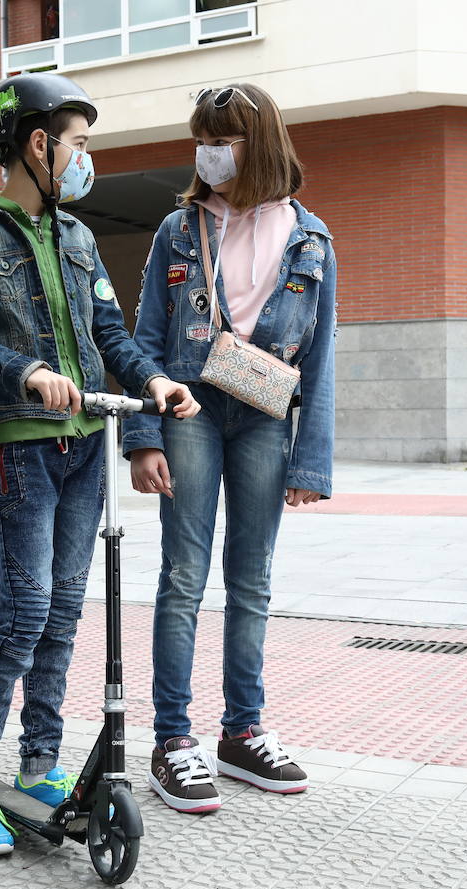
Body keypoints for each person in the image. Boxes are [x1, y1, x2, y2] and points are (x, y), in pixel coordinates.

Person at [0, 72, 200, 855]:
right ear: (38, 143)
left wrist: (151, 380)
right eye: (78, 143)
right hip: (22, 443)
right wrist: (24, 373)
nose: (87, 160)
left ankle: (41, 764)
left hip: (86, 444)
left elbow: (111, 335)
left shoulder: (77, 238)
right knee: (23, 610)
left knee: (63, 612)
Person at [123, 83, 337, 813]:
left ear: (261, 143)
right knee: (183, 575)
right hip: (188, 406)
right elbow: (146, 337)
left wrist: (312, 462)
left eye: (224, 138)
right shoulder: (179, 229)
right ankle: (173, 741)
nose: (208, 151)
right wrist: (140, 438)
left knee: (252, 578)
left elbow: (323, 359)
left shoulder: (311, 237)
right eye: (202, 137)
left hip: (266, 414)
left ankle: (241, 732)